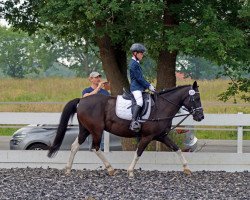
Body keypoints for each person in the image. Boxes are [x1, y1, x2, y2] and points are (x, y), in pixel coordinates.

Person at [129, 43, 156, 132]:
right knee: (140, 102)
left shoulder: (136, 63)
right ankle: (133, 122)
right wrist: (148, 85)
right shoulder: (133, 64)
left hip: (139, 87)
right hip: (135, 87)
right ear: (135, 53)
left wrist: (148, 86)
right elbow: (139, 78)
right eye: (141, 53)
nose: (142, 55)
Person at [82, 71, 110, 150]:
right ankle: (91, 157)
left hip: (102, 119)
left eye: (99, 77)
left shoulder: (105, 92)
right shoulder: (86, 90)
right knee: (91, 140)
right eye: (96, 77)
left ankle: (101, 154)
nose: (99, 79)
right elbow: (85, 98)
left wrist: (108, 88)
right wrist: (98, 88)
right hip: (90, 119)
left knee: (102, 141)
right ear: (91, 79)